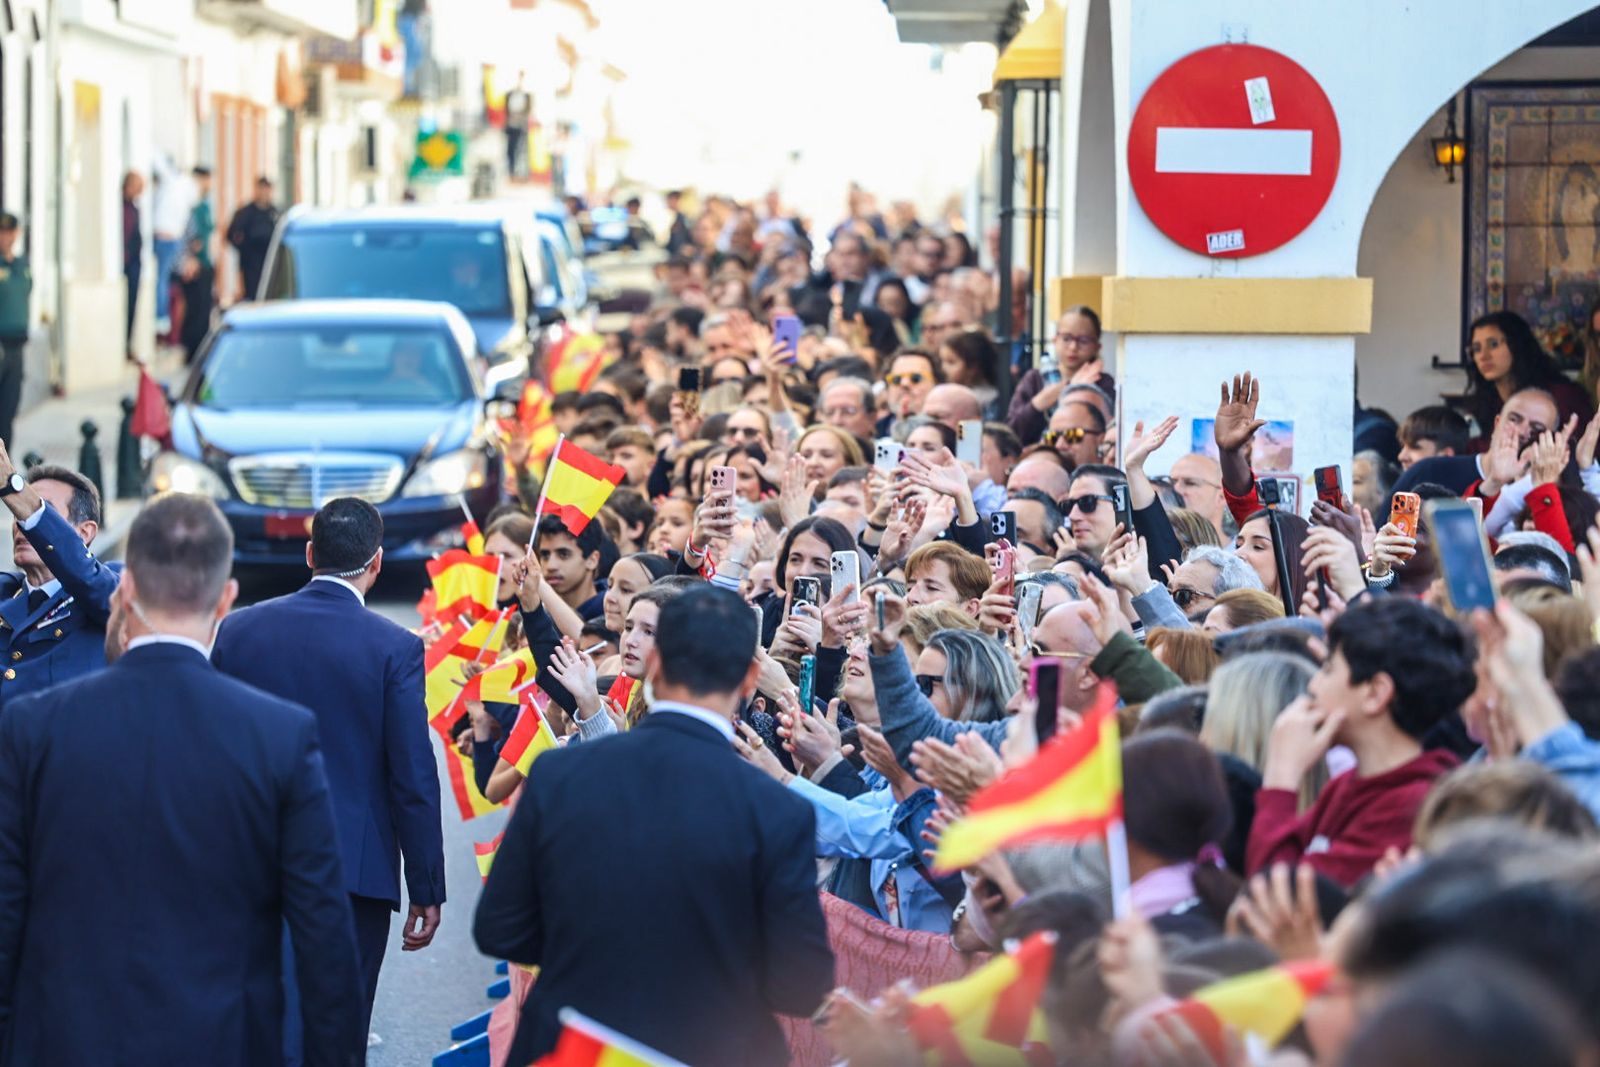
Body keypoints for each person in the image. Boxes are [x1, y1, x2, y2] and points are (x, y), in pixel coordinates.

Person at [0, 493, 365, 1065]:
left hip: (66, 1040)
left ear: (124, 590)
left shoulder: (34, 725)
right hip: (221, 1041)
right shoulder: (280, 736)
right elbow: (321, 935)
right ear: (225, 599)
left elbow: (8, 913)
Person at [475, 584, 835, 1065]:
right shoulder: (778, 811)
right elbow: (802, 984)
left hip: (573, 1042)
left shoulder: (561, 774)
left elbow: (500, 929)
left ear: (657, 664)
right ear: (750, 679)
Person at [211, 497, 446, 1048]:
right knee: (337, 1031)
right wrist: (427, 886)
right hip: (352, 875)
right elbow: (412, 775)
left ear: (310, 553)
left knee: (251, 1023)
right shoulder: (396, 647)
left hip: (251, 863)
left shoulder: (238, 631)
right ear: (377, 562)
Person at [1247, 597, 1475, 886]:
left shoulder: (1410, 807)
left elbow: (1276, 899)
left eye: (1328, 669)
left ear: (1375, 693)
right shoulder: (1346, 786)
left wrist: (1281, 776)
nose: (1314, 685)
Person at [0, 447, 120, 709]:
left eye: (36, 512)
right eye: (18, 512)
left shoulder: (113, 588)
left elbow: (92, 582)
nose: (21, 523)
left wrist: (13, 487)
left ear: (85, 532)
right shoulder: (5, 592)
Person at [1463, 309, 1591, 446]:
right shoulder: (1487, 401)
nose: (1483, 356)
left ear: (1517, 344)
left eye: (1493, 344)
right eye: (1476, 349)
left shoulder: (1562, 396)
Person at [179, 165, 216, 364]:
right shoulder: (193, 206)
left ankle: (200, 349)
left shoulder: (205, 205)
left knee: (203, 309)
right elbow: (193, 237)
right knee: (196, 309)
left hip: (205, 263)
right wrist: (190, 260)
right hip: (195, 265)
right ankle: (193, 350)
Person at [226, 176, 280, 303]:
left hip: (270, 259)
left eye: (267, 190)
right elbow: (231, 234)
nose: (264, 193)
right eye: (261, 189)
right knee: (252, 294)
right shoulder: (245, 213)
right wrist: (243, 249)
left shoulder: (275, 213)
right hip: (251, 262)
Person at [0, 214, 29, 446]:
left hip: (17, 347)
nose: (6, 237)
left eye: (10, 232)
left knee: (8, 411)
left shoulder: (22, 265)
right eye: (2, 232)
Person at [122, 171, 144, 357]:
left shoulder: (134, 209)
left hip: (134, 262)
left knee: (132, 306)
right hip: (127, 263)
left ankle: (129, 343)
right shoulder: (122, 209)